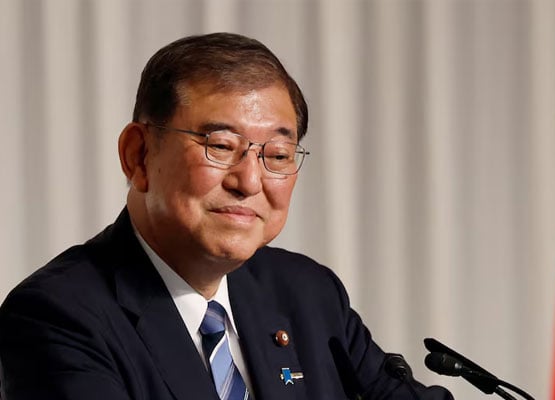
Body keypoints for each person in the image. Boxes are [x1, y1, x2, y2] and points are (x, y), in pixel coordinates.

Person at [0, 33, 452, 399]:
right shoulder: (57, 316)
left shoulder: (306, 293)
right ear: (138, 155)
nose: (250, 181)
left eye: (276, 154)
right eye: (220, 147)